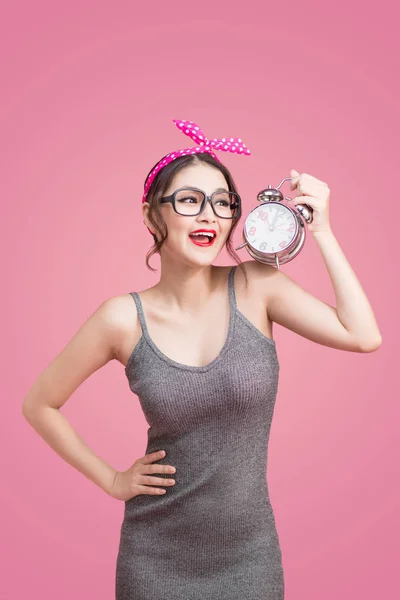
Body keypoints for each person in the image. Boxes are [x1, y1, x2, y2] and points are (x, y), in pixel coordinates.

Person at [22, 119, 382, 600]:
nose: (208, 215)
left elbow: (362, 335)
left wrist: (324, 231)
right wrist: (111, 479)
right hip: (154, 558)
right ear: (153, 217)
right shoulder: (121, 319)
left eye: (222, 202)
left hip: (249, 557)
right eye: (189, 201)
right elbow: (40, 404)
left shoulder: (258, 286)